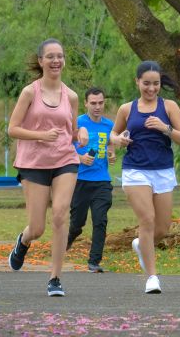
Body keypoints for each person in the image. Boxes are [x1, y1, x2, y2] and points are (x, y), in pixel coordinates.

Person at [7, 38, 88, 297]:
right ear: (41, 61)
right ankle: (24, 240)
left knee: (61, 214)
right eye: (50, 56)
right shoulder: (30, 92)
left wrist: (82, 133)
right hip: (34, 163)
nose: (56, 61)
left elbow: (72, 132)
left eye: (60, 56)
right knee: (38, 227)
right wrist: (41, 136)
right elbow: (12, 129)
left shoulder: (72, 96)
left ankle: (55, 277)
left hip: (65, 159)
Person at [110, 61, 180, 294]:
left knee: (163, 228)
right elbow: (113, 134)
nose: (151, 88)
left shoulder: (169, 106)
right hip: (135, 170)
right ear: (137, 82)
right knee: (147, 220)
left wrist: (165, 128)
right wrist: (119, 140)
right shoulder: (127, 108)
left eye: (156, 84)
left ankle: (140, 244)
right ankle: (152, 277)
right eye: (146, 83)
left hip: (163, 170)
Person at [66, 87, 116, 273]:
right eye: (93, 103)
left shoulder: (109, 125)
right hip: (79, 180)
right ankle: (67, 240)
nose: (97, 107)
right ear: (86, 103)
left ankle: (94, 261)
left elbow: (110, 145)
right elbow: (63, 147)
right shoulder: (77, 123)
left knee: (100, 220)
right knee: (77, 223)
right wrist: (80, 158)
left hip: (102, 180)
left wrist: (111, 155)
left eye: (100, 103)